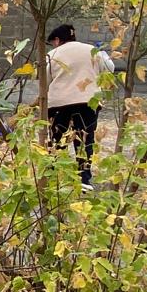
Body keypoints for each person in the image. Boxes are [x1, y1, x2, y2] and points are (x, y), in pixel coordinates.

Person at [46, 24, 114, 188]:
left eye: (52, 43)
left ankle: (54, 176)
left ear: (57, 40)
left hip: (59, 103)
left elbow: (45, 79)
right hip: (88, 101)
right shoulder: (92, 50)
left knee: (57, 139)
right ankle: (84, 179)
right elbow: (110, 68)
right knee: (85, 139)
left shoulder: (52, 55)